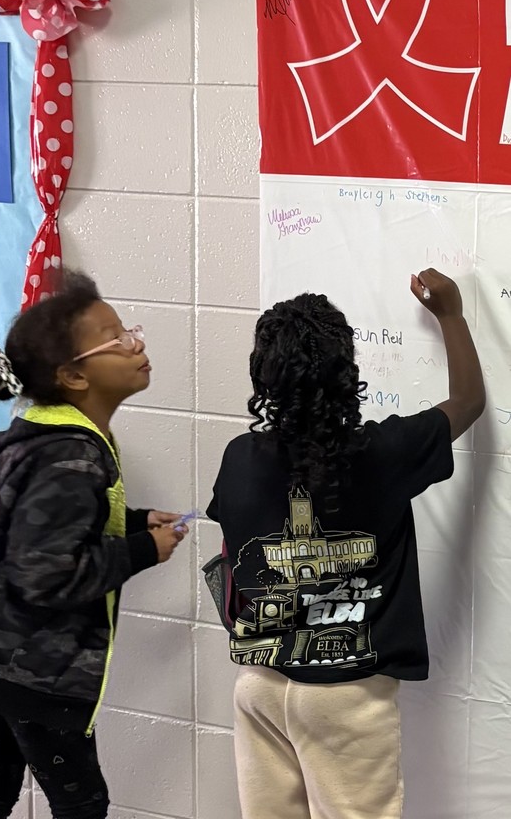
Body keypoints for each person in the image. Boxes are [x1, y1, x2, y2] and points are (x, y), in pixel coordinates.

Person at [206, 268, 485, 819]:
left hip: (259, 682)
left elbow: (232, 552)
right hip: (345, 695)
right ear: (347, 372)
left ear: (262, 375)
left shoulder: (240, 457)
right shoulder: (383, 452)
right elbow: (469, 401)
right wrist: (451, 314)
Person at [0, 269, 188, 819]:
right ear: (72, 375)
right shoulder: (71, 457)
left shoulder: (51, 437)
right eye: (117, 339)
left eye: (130, 332)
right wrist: (144, 550)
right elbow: (45, 573)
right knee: (81, 804)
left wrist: (134, 523)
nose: (136, 344)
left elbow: (53, 525)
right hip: (35, 669)